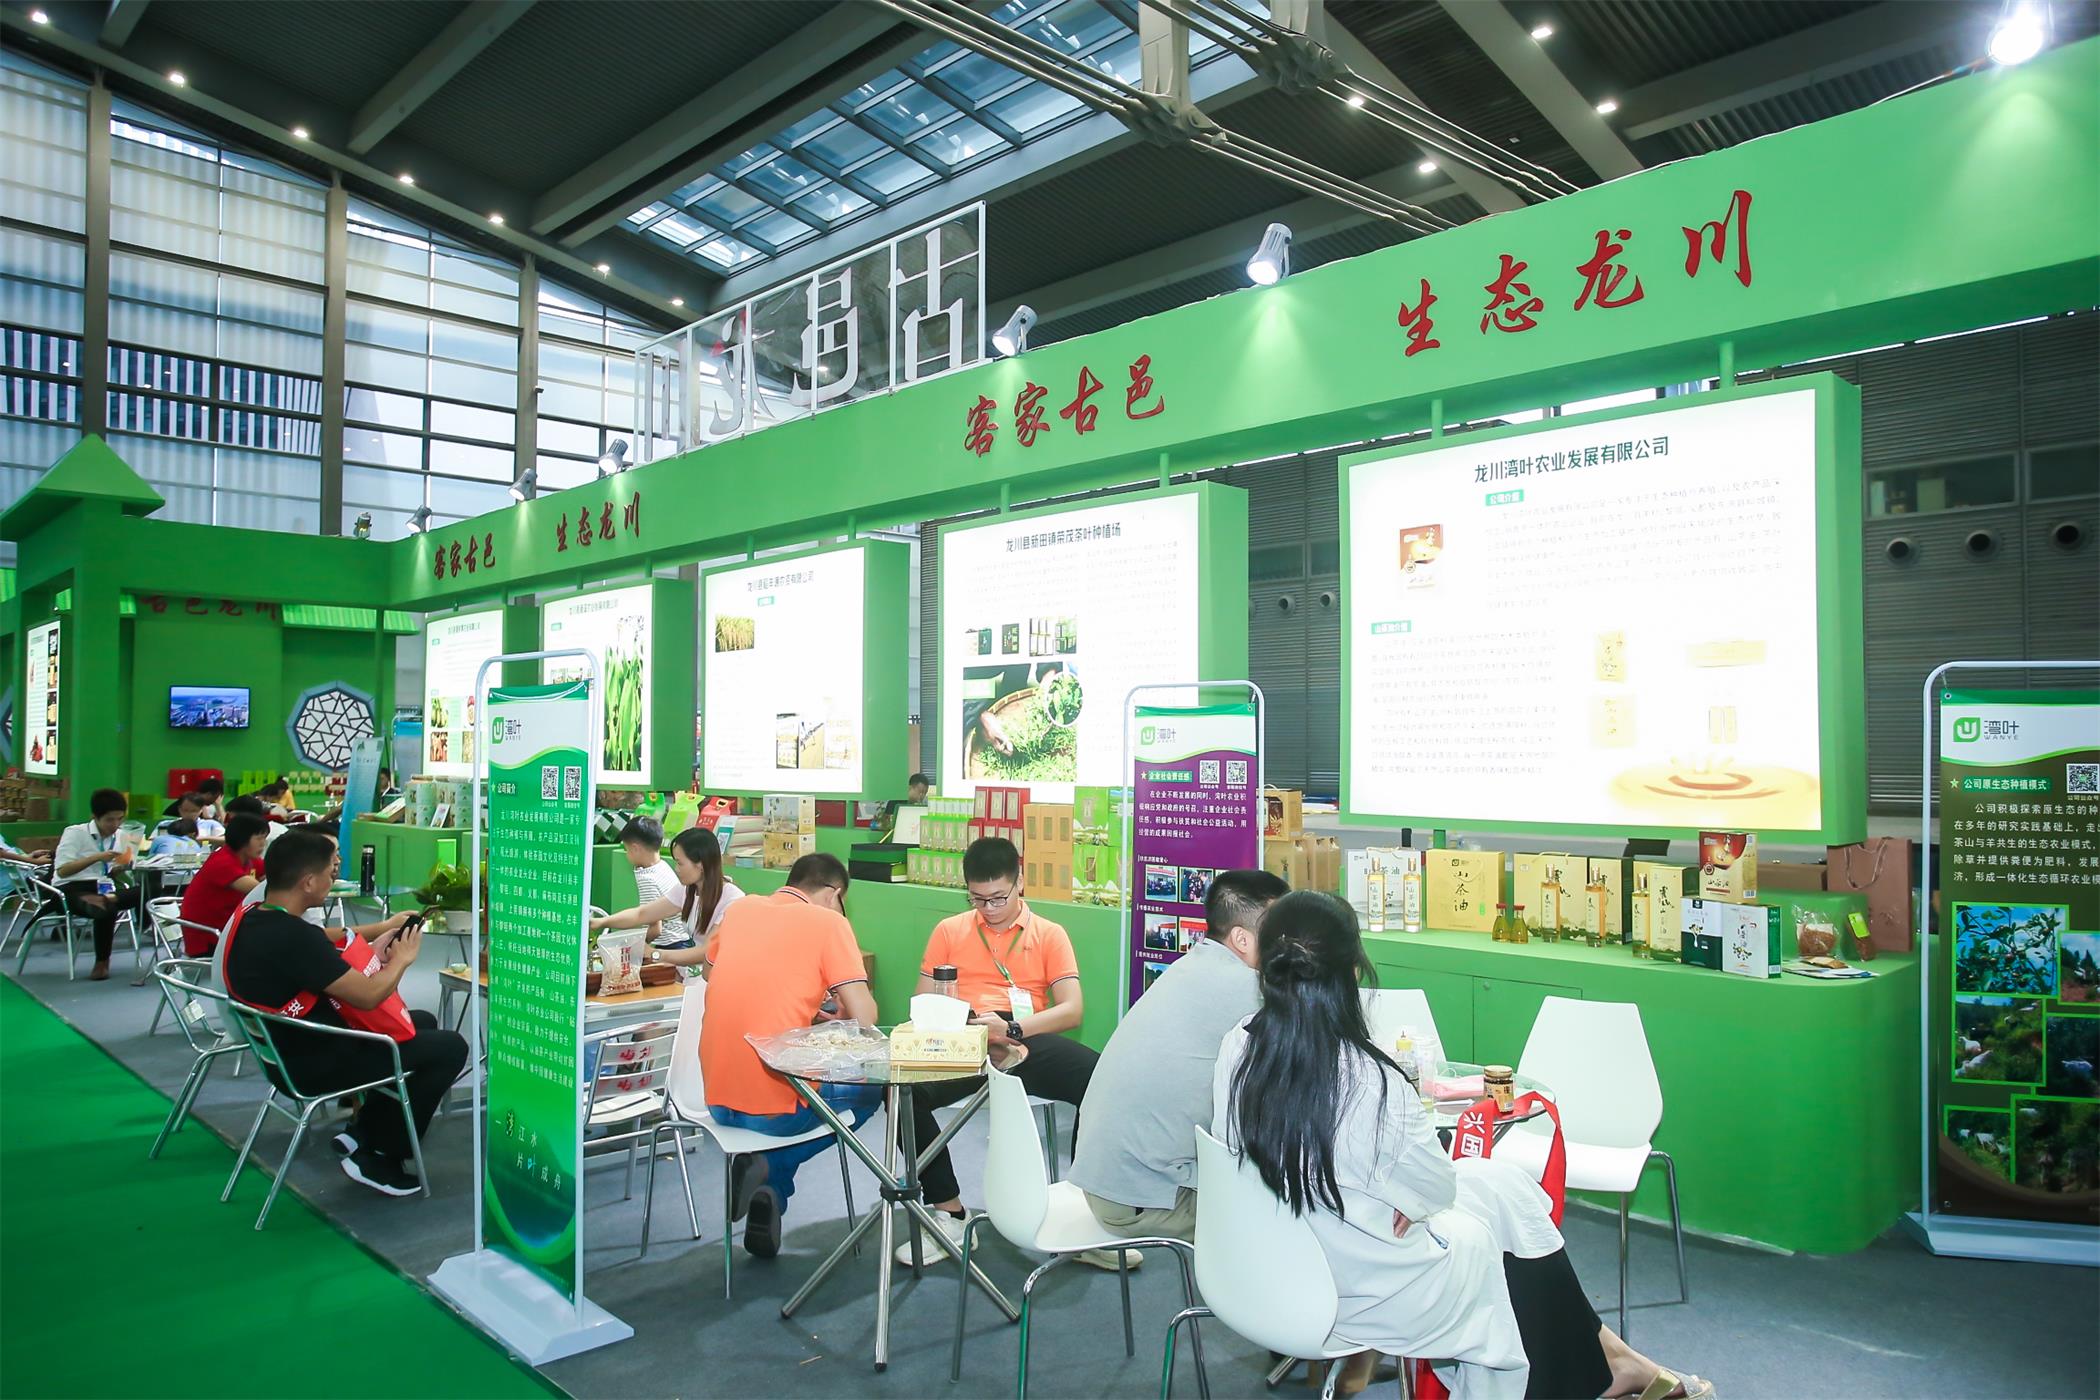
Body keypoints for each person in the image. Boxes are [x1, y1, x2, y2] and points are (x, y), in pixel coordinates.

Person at [1212, 892, 1711, 1400]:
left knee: (1504, 1186)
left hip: (1278, 1266)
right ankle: (1607, 1368)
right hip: (1372, 1293)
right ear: (1353, 973)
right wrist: (1409, 1196)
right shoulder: (1372, 1083)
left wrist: (1404, 1195)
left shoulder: (1237, 1047)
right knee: (1500, 1242)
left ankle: (1615, 1360)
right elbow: (1435, 1189)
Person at [898, 836, 1122, 1269]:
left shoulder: (1049, 934)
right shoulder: (949, 931)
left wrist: (1012, 1029)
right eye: (978, 899)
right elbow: (922, 1001)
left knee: (1102, 1080)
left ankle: (1086, 1214)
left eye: (999, 897)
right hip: (965, 1039)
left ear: (1020, 883)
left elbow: (1072, 1009)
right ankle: (949, 1212)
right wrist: (965, 1025)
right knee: (904, 1093)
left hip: (1026, 1037)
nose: (989, 908)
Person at [221, 829, 461, 1199]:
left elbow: (322, 946)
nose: (334, 878)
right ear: (308, 882)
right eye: (330, 872)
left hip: (285, 1050)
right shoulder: (293, 937)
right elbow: (367, 996)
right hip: (315, 1062)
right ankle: (378, 1156)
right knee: (449, 1048)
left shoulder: (257, 917)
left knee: (422, 1023)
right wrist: (400, 960)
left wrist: (376, 943)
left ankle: (364, 1129)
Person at [1071, 868, 1289, 1243]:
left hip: (1103, 1184)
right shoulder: (1247, 990)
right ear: (1242, 938)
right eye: (1281, 933)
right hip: (1144, 1201)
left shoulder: (1190, 965)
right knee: (1294, 1213)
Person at [699, 853, 879, 1259]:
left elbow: (711, 973)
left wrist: (803, 999)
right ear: (834, 894)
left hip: (716, 1101)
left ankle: (769, 1188)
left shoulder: (740, 909)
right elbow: (865, 1017)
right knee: (872, 1092)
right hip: (778, 1110)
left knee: (805, 1093)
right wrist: (838, 1004)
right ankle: (770, 1170)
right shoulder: (830, 923)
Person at [590, 826, 742, 969]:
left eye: (680, 863)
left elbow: (706, 952)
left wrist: (654, 953)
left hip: (718, 975)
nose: (676, 869)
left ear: (700, 864)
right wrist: (601, 922)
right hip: (695, 974)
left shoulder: (732, 899)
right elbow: (641, 914)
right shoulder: (687, 890)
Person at [51, 787, 141, 981]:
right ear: (95, 816)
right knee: (106, 908)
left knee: (151, 890)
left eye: (120, 819)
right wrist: (97, 857)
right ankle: (102, 963)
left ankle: (110, 897)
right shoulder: (75, 833)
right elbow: (63, 871)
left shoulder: (121, 835)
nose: (115, 825)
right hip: (71, 888)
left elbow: (111, 869)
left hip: (103, 886)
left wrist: (120, 867)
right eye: (109, 820)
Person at [180, 813, 269, 955]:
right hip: (210, 936)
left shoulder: (248, 859)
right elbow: (262, 891)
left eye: (264, 838)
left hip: (232, 926)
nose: (263, 843)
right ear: (242, 839)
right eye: (259, 838)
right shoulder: (222, 862)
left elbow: (276, 875)